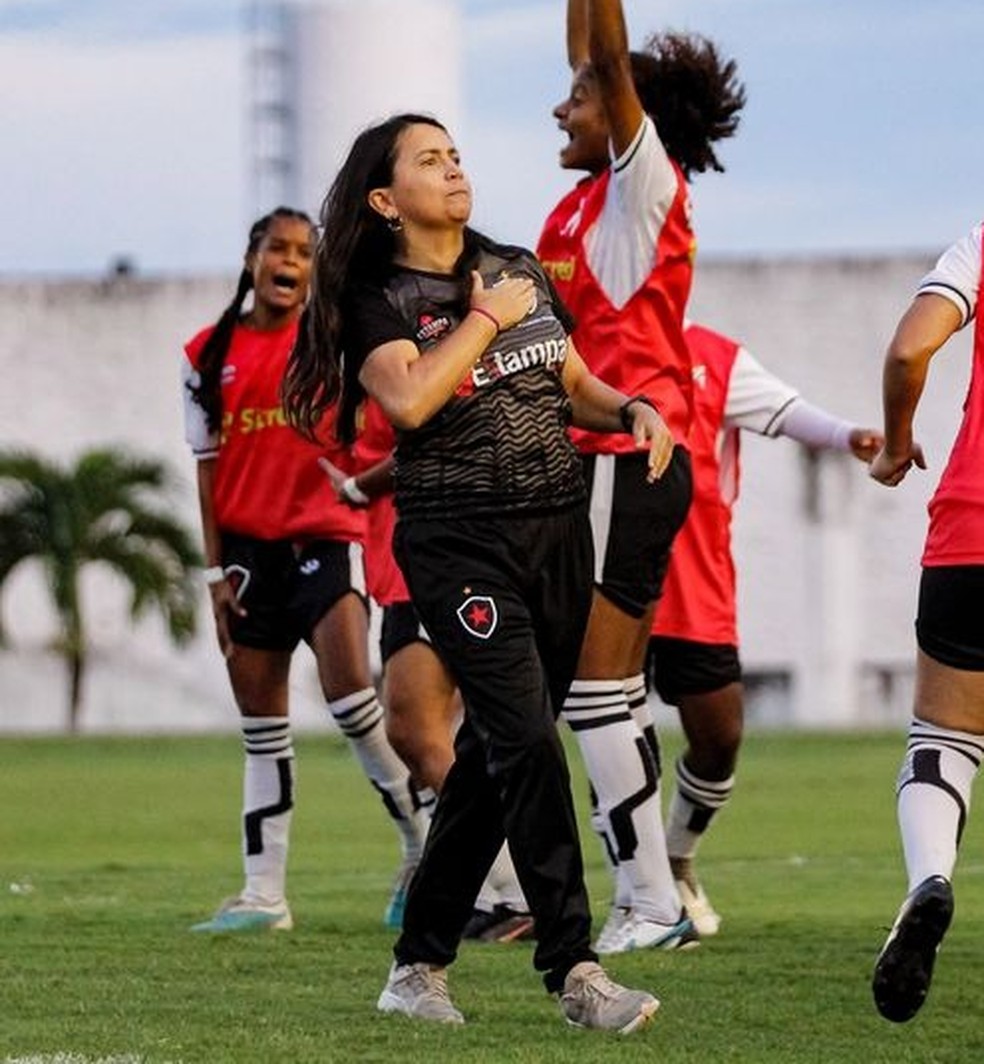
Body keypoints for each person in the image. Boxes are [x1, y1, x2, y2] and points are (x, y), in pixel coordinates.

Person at [282, 112, 671, 1032]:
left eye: (455, 154)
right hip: (458, 541)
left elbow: (568, 378)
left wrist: (633, 410)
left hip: (557, 529)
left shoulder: (517, 265)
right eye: (429, 160)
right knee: (529, 738)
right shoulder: (380, 295)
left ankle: (416, 968)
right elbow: (410, 400)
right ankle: (575, 969)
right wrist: (483, 318)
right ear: (386, 199)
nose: (454, 168)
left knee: (497, 762)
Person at [536, 0, 745, 954]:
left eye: (577, 98)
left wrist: (604, 66)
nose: (560, 109)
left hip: (630, 456)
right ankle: (649, 899)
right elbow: (590, 49)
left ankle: (650, 902)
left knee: (590, 695)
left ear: (624, 113)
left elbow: (608, 58)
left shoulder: (638, 187)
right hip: (598, 466)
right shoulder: (584, 205)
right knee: (606, 698)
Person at [181, 207, 429, 933]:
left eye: (304, 252)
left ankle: (419, 845)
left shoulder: (334, 340)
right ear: (252, 257)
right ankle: (264, 896)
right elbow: (206, 472)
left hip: (327, 535)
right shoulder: (205, 354)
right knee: (262, 727)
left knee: (352, 698)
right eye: (276, 248)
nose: (290, 261)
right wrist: (215, 574)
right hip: (249, 556)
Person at [641, 321, 882, 937]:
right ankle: (635, 891)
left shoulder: (712, 358)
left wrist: (844, 435)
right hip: (603, 582)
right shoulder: (583, 345)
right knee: (611, 734)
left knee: (719, 736)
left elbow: (786, 409)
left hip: (696, 585)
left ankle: (676, 856)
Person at [324, 404, 534, 942]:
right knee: (449, 737)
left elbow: (430, 437)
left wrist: (355, 488)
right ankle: (489, 892)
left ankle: (517, 889)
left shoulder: (402, 344)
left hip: (428, 547)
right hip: (432, 549)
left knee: (413, 732)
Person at [869, 221, 984, 1023]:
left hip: (970, 532)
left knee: (944, 741)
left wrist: (897, 441)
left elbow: (911, 350)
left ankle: (928, 881)